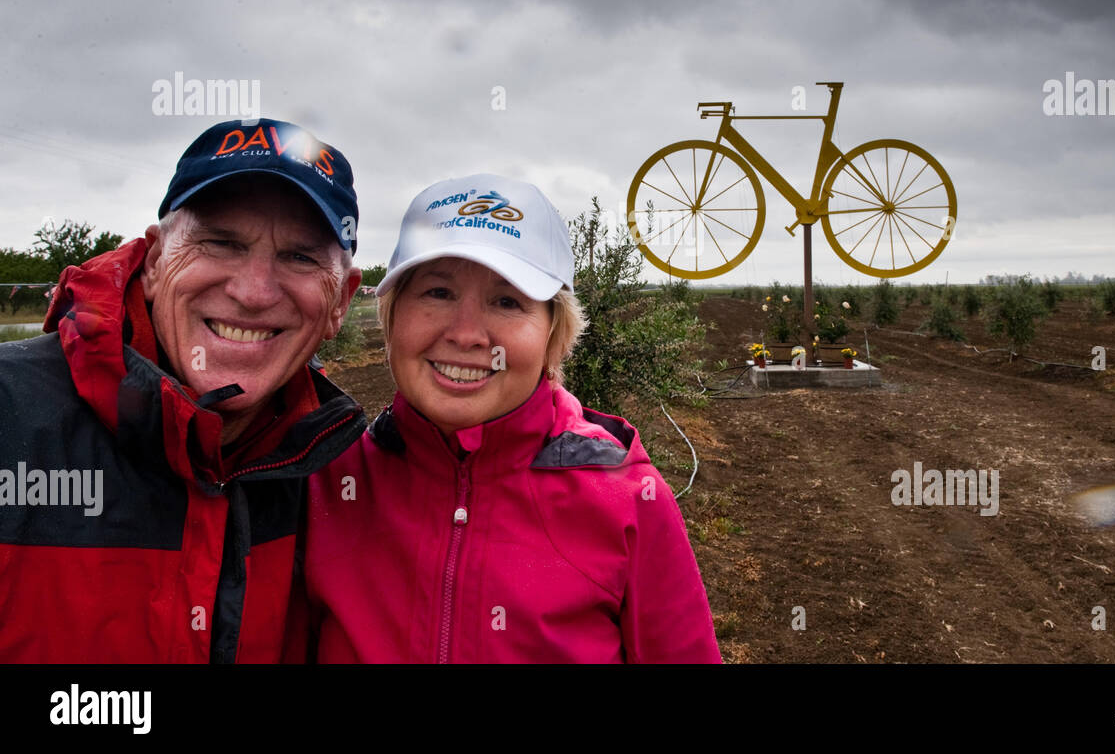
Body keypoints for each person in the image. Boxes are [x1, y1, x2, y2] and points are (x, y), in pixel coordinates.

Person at [303, 174, 722, 663]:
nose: (466, 335)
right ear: (392, 319)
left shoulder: (629, 500)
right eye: (437, 292)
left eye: (507, 301)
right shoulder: (326, 479)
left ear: (553, 334)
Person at [0, 118, 366, 663]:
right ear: (153, 261)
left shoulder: (342, 480)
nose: (254, 292)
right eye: (220, 242)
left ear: (340, 302)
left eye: (300, 257)